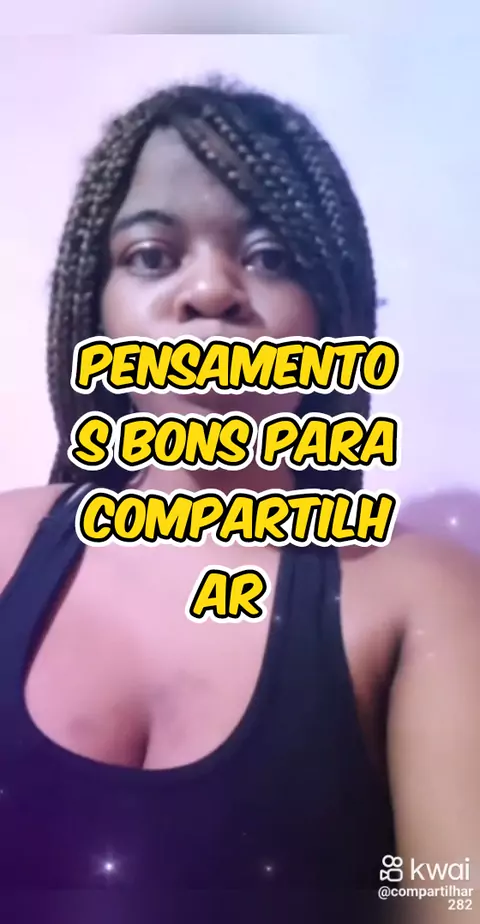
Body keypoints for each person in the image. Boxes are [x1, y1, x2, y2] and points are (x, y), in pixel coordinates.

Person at [0, 77, 478, 924]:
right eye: (151, 255)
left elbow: (450, 896)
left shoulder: (422, 600)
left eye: (270, 256)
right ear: (95, 314)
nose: (211, 292)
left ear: (330, 320)